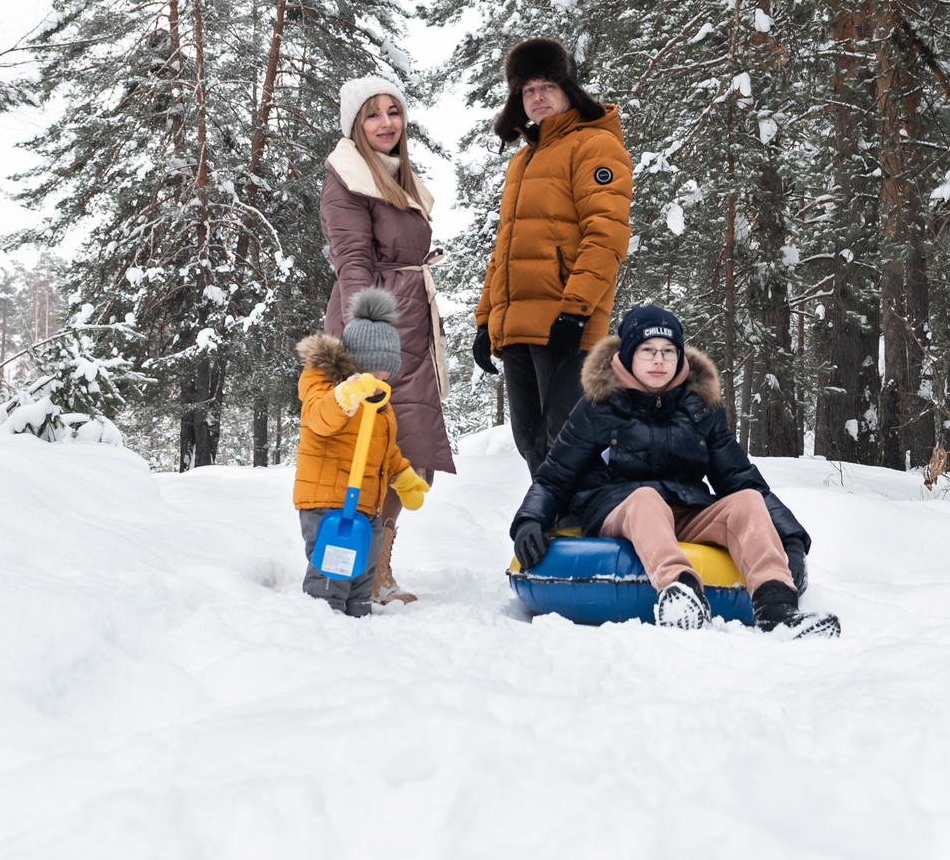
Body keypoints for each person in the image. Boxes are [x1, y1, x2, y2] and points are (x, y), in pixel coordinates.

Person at [509, 306, 834, 638]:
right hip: (621, 510)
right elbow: (555, 476)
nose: (659, 361)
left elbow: (741, 477)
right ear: (627, 355)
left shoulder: (701, 408)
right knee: (646, 498)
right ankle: (682, 593)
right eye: (647, 351)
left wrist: (790, 538)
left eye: (668, 351)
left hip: (687, 512)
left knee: (747, 500)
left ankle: (778, 610)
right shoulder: (597, 407)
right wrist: (530, 520)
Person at [471, 37, 632, 474]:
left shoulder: (595, 146)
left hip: (566, 323)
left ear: (569, 89)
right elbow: (504, 249)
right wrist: (487, 321)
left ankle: (582, 533)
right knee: (530, 441)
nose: (537, 97)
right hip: (518, 326)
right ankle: (550, 531)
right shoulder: (522, 161)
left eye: (547, 86)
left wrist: (576, 310)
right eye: (527, 90)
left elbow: (607, 235)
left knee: (568, 440)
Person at [321, 74, 454, 604]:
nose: (385, 123)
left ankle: (379, 565)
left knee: (411, 449)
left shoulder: (399, 176)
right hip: (378, 325)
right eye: (373, 113)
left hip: (412, 322)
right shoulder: (348, 175)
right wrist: (368, 331)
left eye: (393, 111)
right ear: (356, 123)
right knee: (378, 445)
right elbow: (351, 259)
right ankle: (366, 570)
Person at [293, 289, 429, 618]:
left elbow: (384, 450)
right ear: (358, 364)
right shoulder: (321, 384)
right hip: (327, 502)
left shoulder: (379, 405)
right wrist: (345, 395)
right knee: (333, 569)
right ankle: (323, 621)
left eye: (387, 375)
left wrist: (404, 476)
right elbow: (319, 418)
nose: (383, 381)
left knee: (363, 568)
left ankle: (359, 617)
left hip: (366, 505)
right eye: (376, 374)